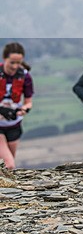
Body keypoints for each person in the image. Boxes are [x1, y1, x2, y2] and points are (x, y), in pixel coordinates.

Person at [0, 42, 34, 170]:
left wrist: (24, 109)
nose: (15, 66)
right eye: (12, 62)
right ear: (4, 58)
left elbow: (28, 102)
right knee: (9, 165)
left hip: (14, 124)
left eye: (18, 63)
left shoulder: (25, 76)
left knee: (6, 168)